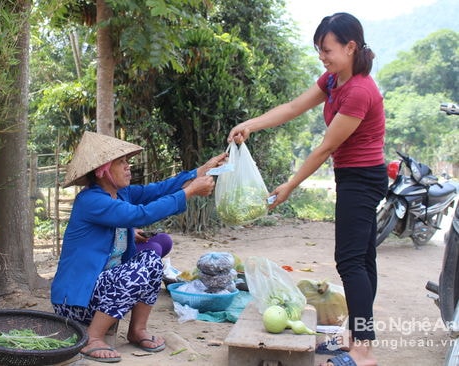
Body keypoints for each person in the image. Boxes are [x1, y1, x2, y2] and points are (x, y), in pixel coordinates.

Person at [227, 13, 387, 366]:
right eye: (318, 50)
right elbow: (292, 107)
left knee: (349, 261)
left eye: (327, 50)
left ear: (350, 46)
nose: (322, 57)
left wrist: (290, 186)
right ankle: (358, 336)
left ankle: (363, 350)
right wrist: (250, 125)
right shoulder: (333, 80)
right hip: (353, 176)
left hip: (363, 178)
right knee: (362, 259)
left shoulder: (359, 90)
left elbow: (325, 148)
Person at [51, 131, 227, 363]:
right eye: (121, 162)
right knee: (141, 268)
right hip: (75, 302)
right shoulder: (91, 200)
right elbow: (140, 214)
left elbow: (159, 189)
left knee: (152, 261)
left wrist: (200, 171)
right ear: (102, 170)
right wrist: (191, 191)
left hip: (102, 290)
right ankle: (92, 338)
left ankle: (137, 330)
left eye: (127, 161)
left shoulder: (121, 194)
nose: (128, 167)